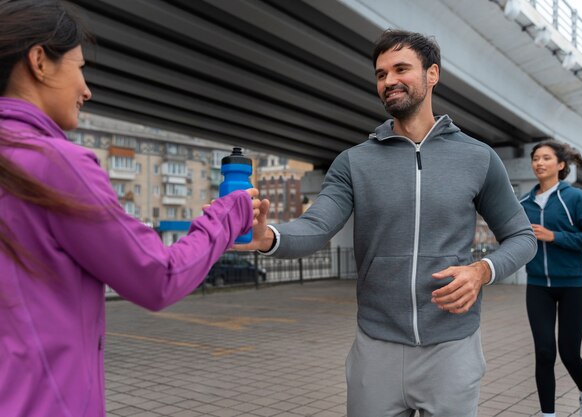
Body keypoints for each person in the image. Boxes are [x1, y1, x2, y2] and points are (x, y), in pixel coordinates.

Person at [240, 29, 537, 417]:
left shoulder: (478, 158)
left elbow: (522, 237)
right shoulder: (353, 162)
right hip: (375, 347)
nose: (389, 81)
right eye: (381, 74)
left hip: (451, 347)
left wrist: (482, 271)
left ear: (433, 74)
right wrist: (268, 236)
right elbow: (316, 225)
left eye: (401, 69)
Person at [0, 1, 266, 416]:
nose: (86, 89)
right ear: (39, 61)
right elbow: (158, 276)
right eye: (79, 66)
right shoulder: (52, 164)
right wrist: (229, 214)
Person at [520, 140, 582, 417]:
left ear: (561, 164)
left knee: (569, 353)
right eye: (535, 158)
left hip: (574, 285)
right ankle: (548, 414)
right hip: (538, 286)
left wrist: (553, 236)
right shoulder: (523, 204)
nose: (539, 163)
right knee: (544, 352)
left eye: (545, 158)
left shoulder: (576, 198)